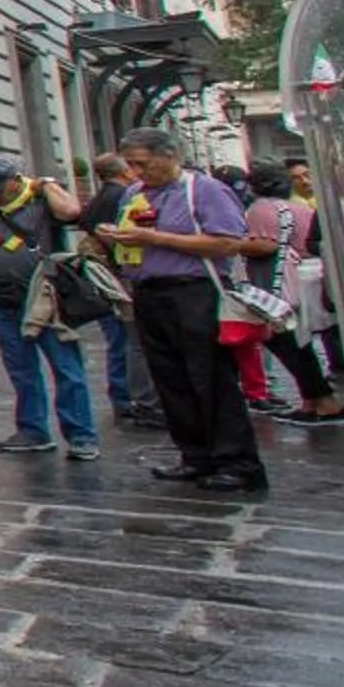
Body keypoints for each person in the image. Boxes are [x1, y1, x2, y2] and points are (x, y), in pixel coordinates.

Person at [117, 127, 266, 493]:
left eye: (142, 164)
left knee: (209, 375)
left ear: (169, 155)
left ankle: (236, 460)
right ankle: (195, 454)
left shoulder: (204, 190)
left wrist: (157, 238)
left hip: (194, 290)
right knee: (170, 377)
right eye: (131, 165)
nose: (136, 172)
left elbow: (228, 242)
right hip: (150, 292)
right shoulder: (134, 194)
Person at [0, 154, 98, 458]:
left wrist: (49, 185)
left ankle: (81, 435)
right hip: (3, 298)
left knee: (66, 368)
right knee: (21, 369)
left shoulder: (40, 200)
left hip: (45, 298)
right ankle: (32, 429)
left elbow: (72, 211)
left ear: (15, 182)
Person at [245, 158, 344, 427]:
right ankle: (312, 401)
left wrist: (232, 245)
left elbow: (267, 246)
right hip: (305, 280)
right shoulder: (299, 208)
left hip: (277, 284)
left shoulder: (261, 209)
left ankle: (325, 401)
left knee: (286, 341)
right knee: (298, 342)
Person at [73, 151, 158, 426]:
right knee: (126, 340)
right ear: (124, 172)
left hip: (103, 277)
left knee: (121, 340)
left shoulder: (99, 198)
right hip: (116, 278)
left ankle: (125, 397)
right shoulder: (122, 197)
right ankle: (130, 398)